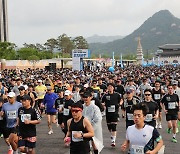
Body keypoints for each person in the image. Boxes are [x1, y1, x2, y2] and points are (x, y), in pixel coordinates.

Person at [101, 83, 122, 147]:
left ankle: (113, 141)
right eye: (108, 87)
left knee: (114, 126)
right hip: (108, 112)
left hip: (115, 112)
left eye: (111, 87)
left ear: (113, 88)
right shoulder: (105, 95)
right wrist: (103, 105)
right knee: (109, 127)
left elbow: (121, 100)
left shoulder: (117, 95)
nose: (109, 88)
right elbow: (102, 102)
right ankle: (112, 136)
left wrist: (119, 104)